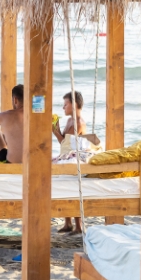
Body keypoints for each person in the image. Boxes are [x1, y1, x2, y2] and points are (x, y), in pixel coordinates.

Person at [53, 90, 87, 235]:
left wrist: (55, 132)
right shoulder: (69, 120)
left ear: (74, 105)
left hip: (74, 158)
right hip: (67, 155)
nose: (63, 107)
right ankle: (68, 223)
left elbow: (67, 145)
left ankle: (78, 226)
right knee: (64, 188)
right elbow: (65, 143)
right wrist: (57, 130)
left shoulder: (78, 122)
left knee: (72, 189)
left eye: (65, 104)